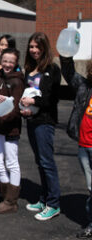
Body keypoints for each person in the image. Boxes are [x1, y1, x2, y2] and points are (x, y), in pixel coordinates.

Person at [21, 32, 61, 221]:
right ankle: (44, 199)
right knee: (40, 161)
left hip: (45, 122)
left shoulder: (52, 69)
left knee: (47, 163)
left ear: (44, 48)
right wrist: (24, 107)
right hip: (31, 120)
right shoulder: (29, 68)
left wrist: (32, 100)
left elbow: (50, 99)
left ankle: (53, 204)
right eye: (31, 47)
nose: (34, 50)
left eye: (38, 46)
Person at [0, 48, 24, 213]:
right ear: (0, 59)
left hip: (11, 129)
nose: (7, 64)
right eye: (5, 60)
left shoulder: (18, 81)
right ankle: (6, 197)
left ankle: (10, 201)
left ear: (16, 63)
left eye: (11, 61)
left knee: (11, 163)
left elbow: (16, 110)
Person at [60, 56, 92, 238]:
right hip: (84, 146)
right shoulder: (85, 87)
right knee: (90, 187)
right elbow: (69, 73)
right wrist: (65, 54)